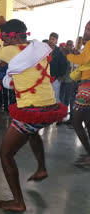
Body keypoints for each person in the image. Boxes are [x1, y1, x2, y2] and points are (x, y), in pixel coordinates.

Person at [0, 18, 67, 211]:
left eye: (3, 38)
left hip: (31, 109)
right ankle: (42, 168)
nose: (2, 43)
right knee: (32, 132)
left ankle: (18, 202)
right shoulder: (39, 48)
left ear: (13, 37)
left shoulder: (14, 50)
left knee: (5, 153)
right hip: (49, 107)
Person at [66, 21, 90, 165]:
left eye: (88, 29)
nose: (86, 31)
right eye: (86, 28)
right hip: (86, 84)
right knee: (87, 121)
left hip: (87, 87)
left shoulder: (89, 44)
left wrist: (69, 55)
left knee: (76, 121)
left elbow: (82, 60)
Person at [48, 32, 68, 103]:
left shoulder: (60, 51)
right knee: (46, 95)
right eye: (50, 39)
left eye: (53, 39)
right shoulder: (45, 50)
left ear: (56, 41)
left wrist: (60, 76)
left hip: (56, 78)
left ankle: (56, 112)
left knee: (55, 95)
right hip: (46, 77)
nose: (50, 41)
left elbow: (64, 65)